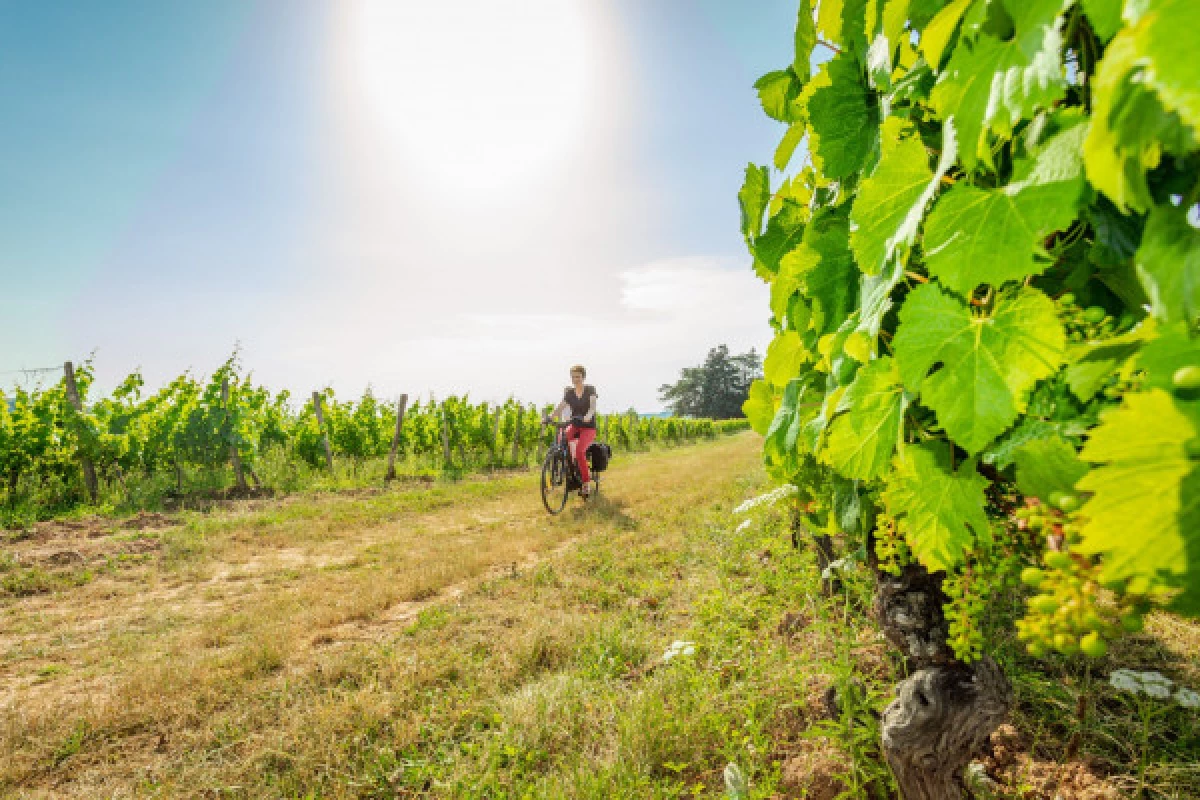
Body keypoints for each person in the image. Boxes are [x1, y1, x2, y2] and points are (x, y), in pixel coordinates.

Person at [544, 364, 599, 497]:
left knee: (580, 451)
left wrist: (588, 416)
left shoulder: (590, 389)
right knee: (562, 441)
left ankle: (586, 484)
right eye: (573, 377)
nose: (575, 379)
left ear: (583, 377)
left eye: (578, 377)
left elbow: (592, 406)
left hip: (588, 427)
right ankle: (568, 468)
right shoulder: (570, 393)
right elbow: (559, 408)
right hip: (574, 425)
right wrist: (549, 417)